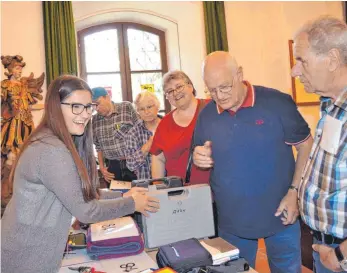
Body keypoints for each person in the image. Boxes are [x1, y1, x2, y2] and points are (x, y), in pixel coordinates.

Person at [1, 75, 160, 273]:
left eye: (88, 107)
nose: (85, 114)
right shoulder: (51, 149)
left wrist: (122, 194)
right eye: (76, 106)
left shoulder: (51, 141)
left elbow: (78, 193)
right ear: (55, 107)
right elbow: (86, 210)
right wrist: (132, 204)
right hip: (26, 255)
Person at [193, 51, 313, 272]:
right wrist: (197, 156)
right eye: (212, 90)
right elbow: (199, 154)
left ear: (239, 74)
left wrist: (295, 191)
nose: (219, 96)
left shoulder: (277, 102)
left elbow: (305, 145)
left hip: (282, 215)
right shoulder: (206, 115)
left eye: (225, 87)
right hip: (232, 221)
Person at [292, 16, 347, 273]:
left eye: (301, 60)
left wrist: (339, 256)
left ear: (333, 60)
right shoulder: (330, 106)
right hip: (322, 246)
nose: (295, 71)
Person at [150, 70, 210, 185]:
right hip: (178, 195)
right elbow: (158, 158)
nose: (175, 93)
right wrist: (159, 191)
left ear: (190, 86)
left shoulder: (211, 109)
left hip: (215, 193)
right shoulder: (164, 124)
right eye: (169, 91)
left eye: (179, 86)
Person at [92, 87, 139, 183]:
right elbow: (98, 146)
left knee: (139, 195)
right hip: (112, 167)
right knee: (116, 196)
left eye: (97, 103)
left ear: (107, 97)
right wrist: (102, 167)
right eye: (92, 106)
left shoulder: (126, 107)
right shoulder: (95, 120)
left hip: (133, 163)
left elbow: (141, 132)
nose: (96, 108)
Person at [1, 55, 44, 155]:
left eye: (21, 69)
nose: (20, 71)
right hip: (13, 122)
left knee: (26, 151)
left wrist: (45, 106)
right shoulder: (5, 85)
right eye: (17, 68)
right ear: (11, 70)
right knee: (12, 152)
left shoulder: (23, 85)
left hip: (26, 122)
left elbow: (28, 106)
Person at [125, 91, 161, 180]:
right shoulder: (133, 133)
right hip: (146, 185)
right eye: (141, 109)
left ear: (157, 106)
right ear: (137, 112)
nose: (146, 112)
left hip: (172, 182)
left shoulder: (170, 126)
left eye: (149, 107)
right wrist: (146, 147)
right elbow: (130, 165)